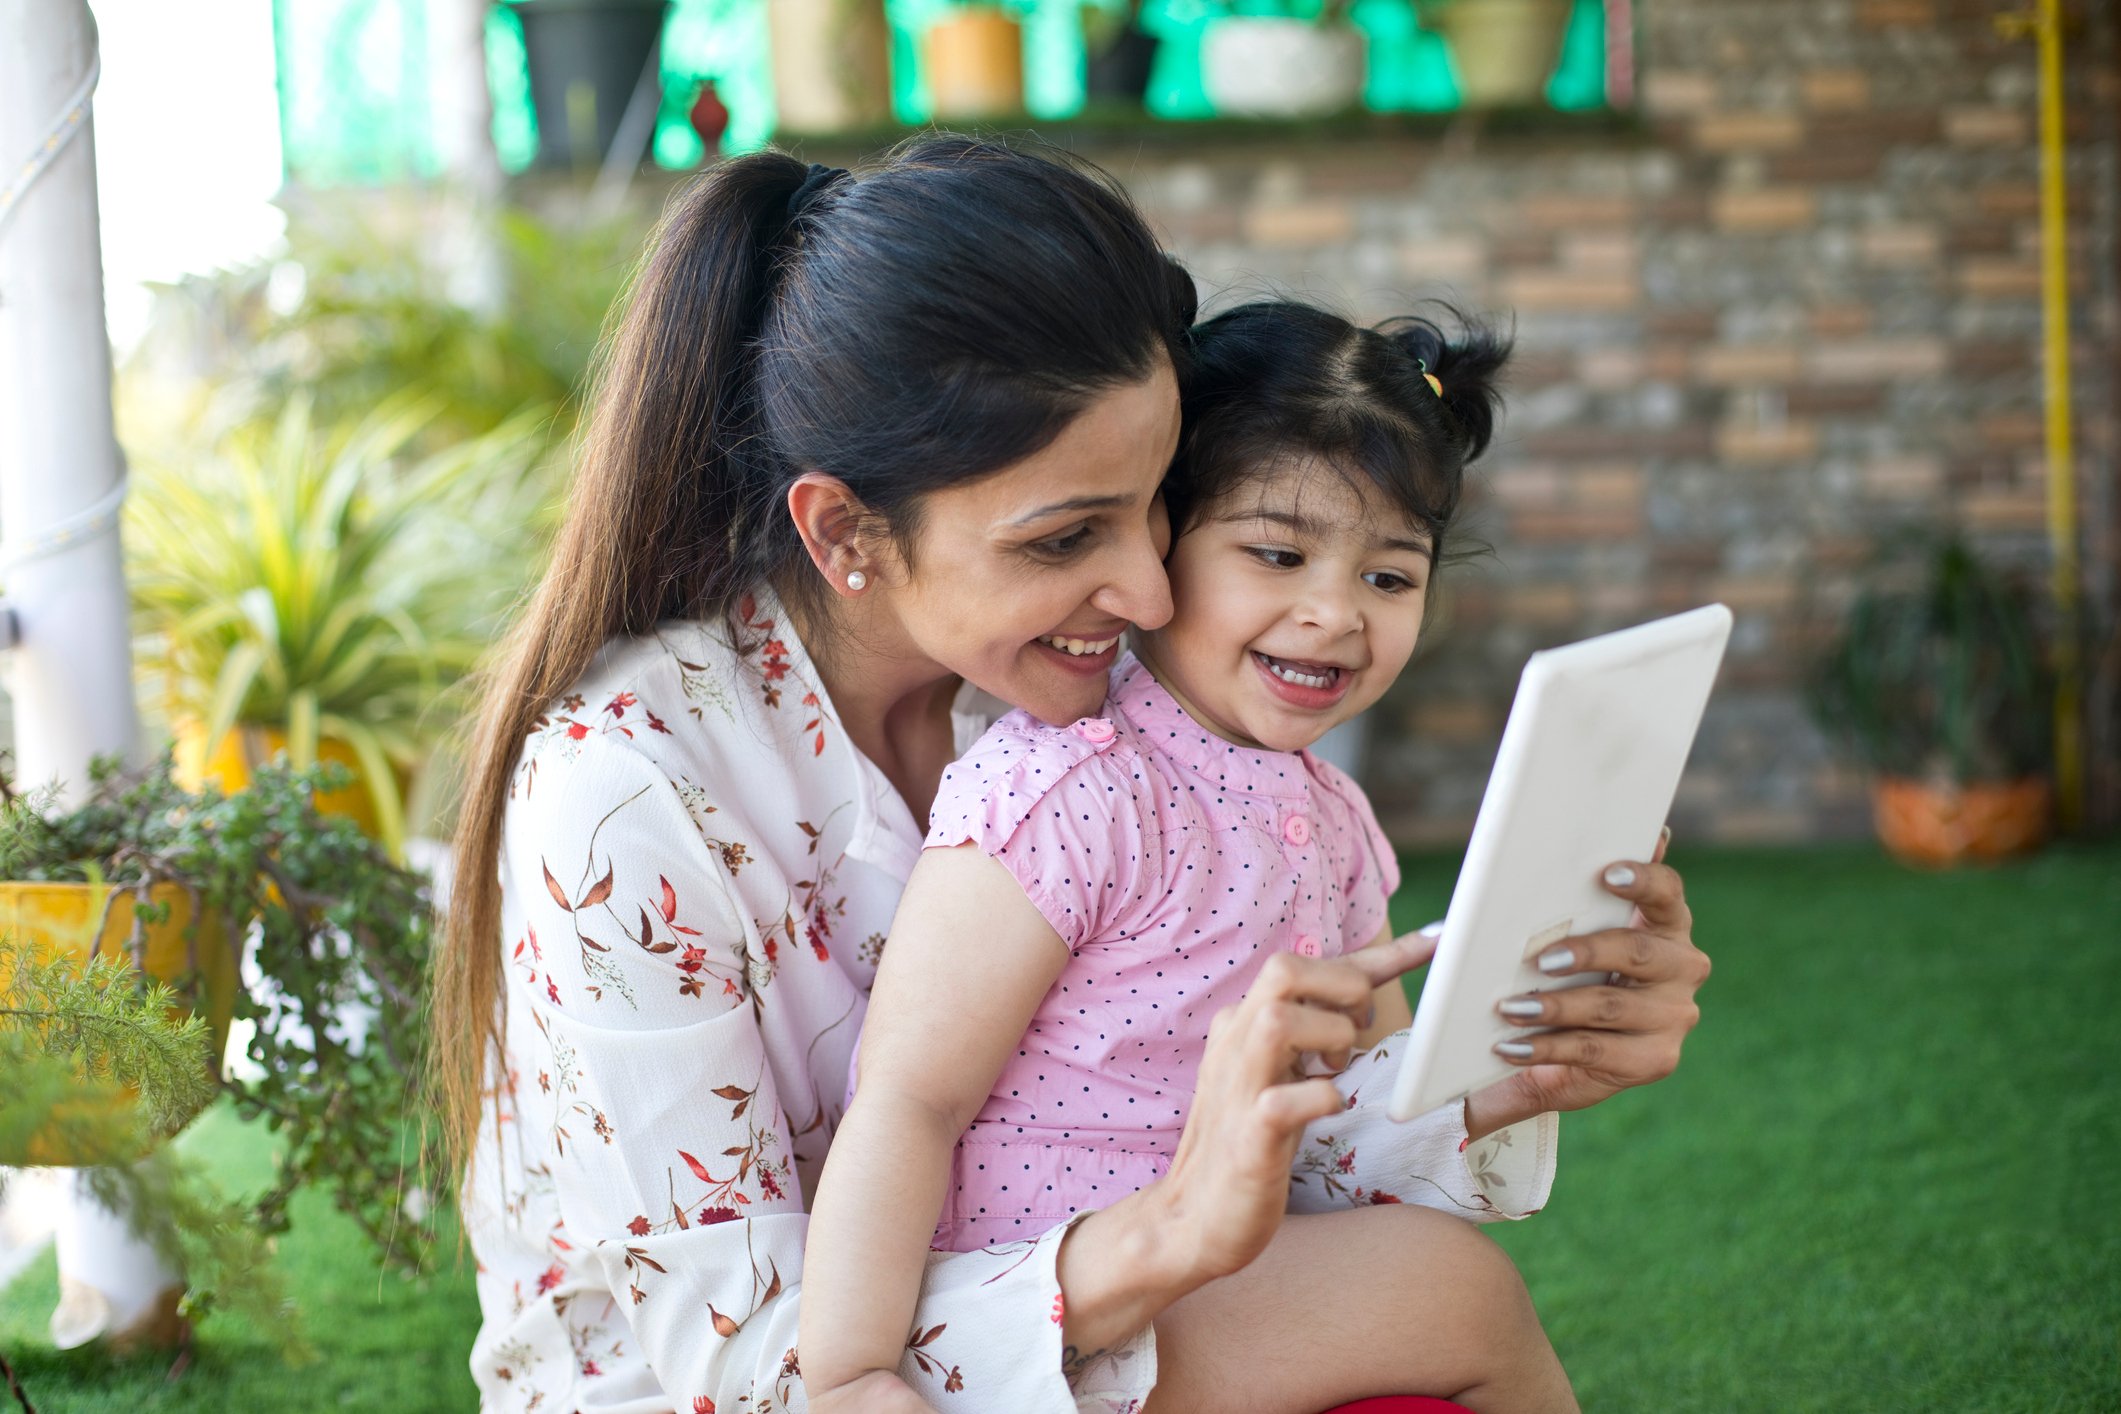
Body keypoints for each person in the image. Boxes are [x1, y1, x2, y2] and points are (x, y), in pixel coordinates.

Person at [431, 138, 1712, 1414]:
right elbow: (759, 1366)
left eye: (1159, 502)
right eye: (1065, 535)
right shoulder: (626, 795)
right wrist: (1165, 1238)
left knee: (1434, 1298)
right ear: (845, 533)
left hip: (1052, 1299)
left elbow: (1281, 1127)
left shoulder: (1106, 714)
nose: (1153, 590)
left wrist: (1516, 1065)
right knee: (1441, 1295)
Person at [799, 298, 1581, 1414]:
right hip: (1062, 1304)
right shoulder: (1067, 788)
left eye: (1389, 576)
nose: (1334, 615)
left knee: (1435, 1271)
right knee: (1458, 1290)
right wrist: (852, 1372)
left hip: (1228, 1267)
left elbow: (1367, 1098)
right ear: (1161, 542)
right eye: (1277, 553)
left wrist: (1508, 1058)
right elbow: (908, 1097)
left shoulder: (1334, 815)